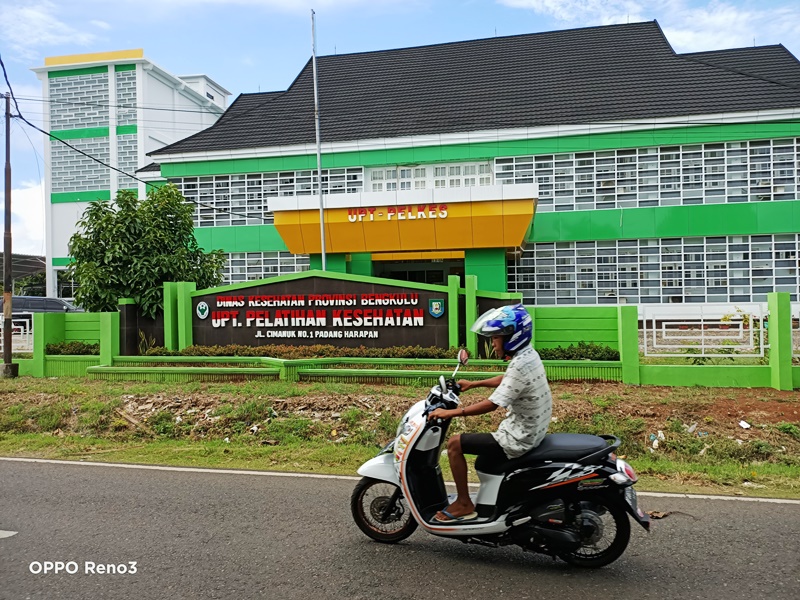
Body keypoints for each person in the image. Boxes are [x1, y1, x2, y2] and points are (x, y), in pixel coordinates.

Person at [427, 304, 553, 523]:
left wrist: (452, 413)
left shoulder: (521, 364)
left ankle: (464, 504)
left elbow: (491, 405)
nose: (493, 344)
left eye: (495, 338)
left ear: (512, 337)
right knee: (480, 457)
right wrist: (474, 384)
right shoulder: (528, 355)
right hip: (530, 430)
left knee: (455, 444)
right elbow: (507, 379)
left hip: (519, 438)